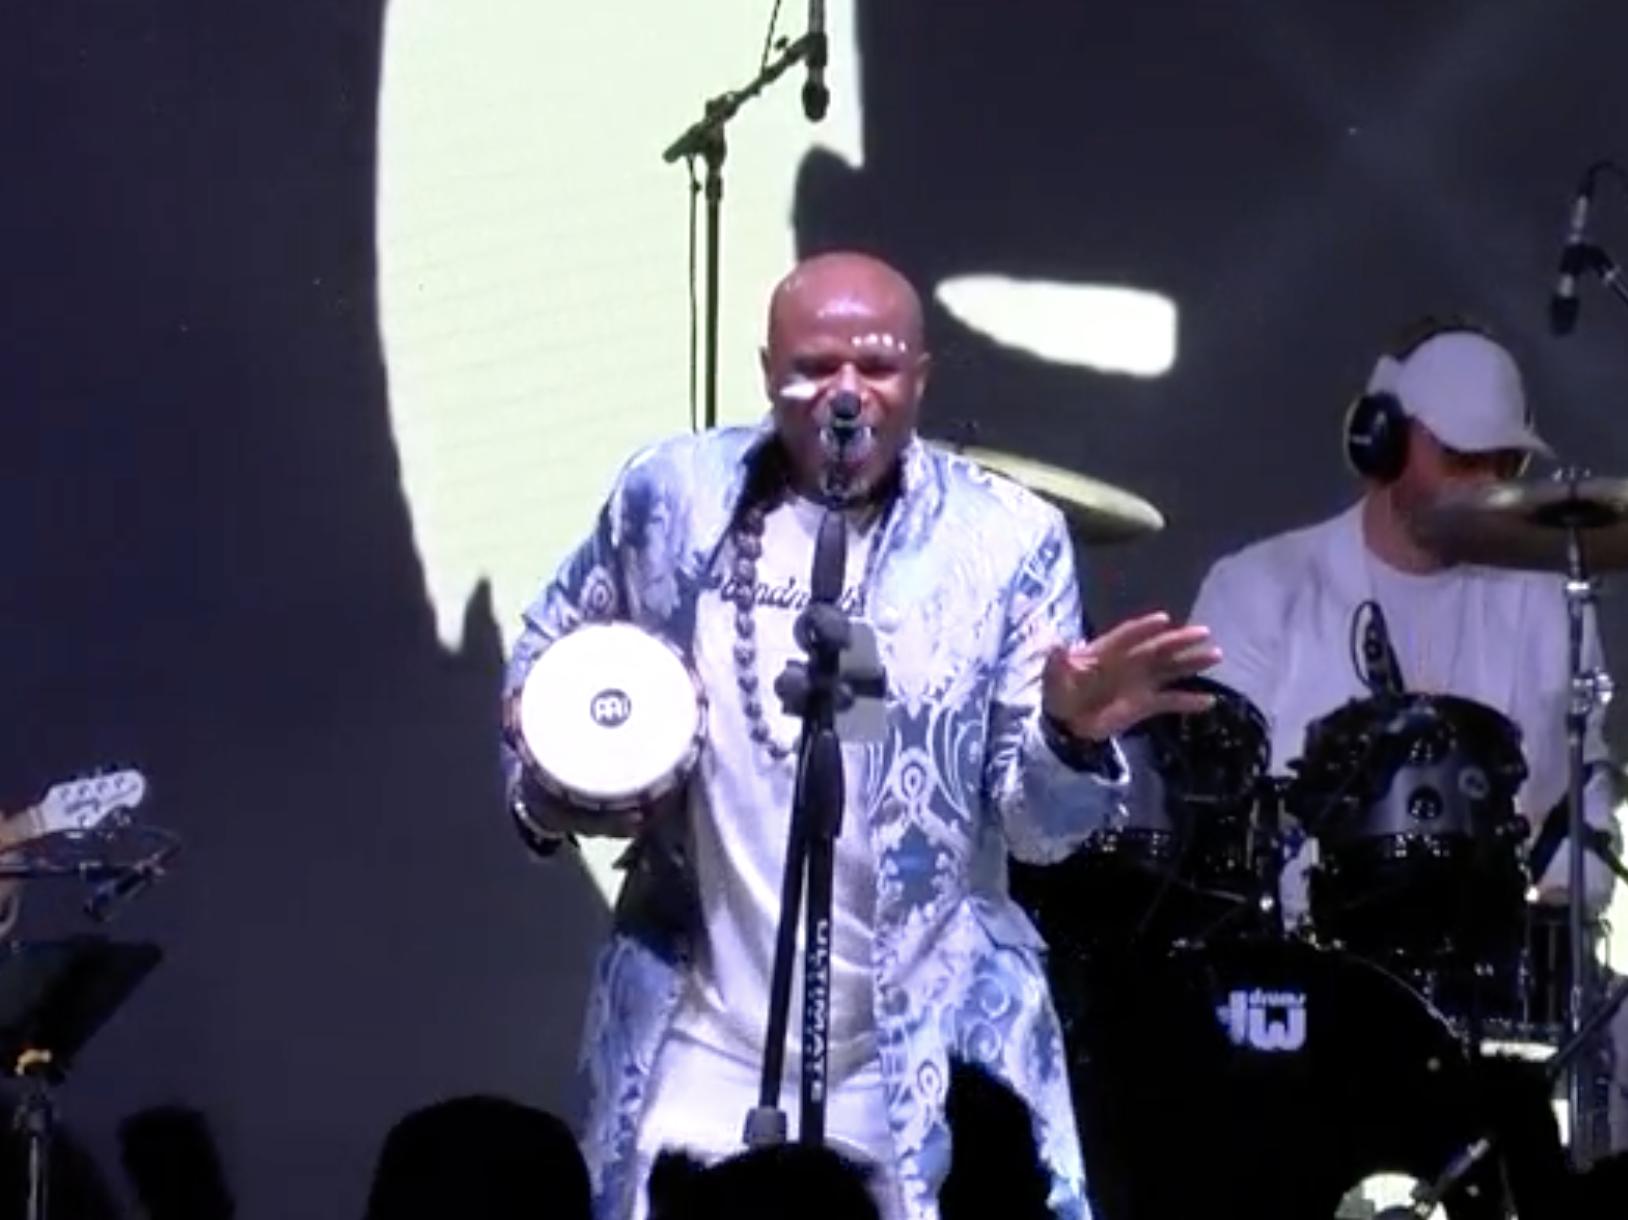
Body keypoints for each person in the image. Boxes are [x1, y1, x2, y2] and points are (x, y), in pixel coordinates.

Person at [501, 251, 1218, 1220]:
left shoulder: (1004, 539)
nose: (845, 392)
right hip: (700, 1021)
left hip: (923, 1040)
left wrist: (1068, 730)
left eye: (876, 368)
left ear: (920, 376)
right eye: (814, 364)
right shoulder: (669, 496)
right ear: (766, 370)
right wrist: (563, 779)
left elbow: (1039, 829)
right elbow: (552, 663)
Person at [1189, 316, 1627, 1151]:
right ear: (1383, 444)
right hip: (1310, 968)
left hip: (1492, 965)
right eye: (1462, 458)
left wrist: (1567, 886)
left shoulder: (1543, 599)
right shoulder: (1262, 587)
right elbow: (1216, 815)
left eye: (1508, 464)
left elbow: (1585, 789)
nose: (1489, 483)